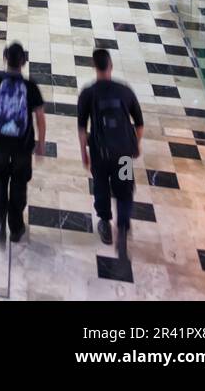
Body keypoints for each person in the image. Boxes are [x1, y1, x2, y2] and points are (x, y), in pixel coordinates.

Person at [77, 48, 144, 262]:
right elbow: (140, 124)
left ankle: (105, 223)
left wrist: (84, 153)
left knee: (101, 186)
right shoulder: (125, 91)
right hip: (124, 153)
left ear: (95, 67)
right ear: (111, 66)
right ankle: (122, 227)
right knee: (124, 191)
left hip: (100, 152)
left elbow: (81, 128)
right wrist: (135, 145)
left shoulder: (88, 93)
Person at [0, 41, 46, 244]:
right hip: (22, 147)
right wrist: (40, 143)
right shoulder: (30, 86)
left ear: (5, 59)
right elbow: (40, 119)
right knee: (18, 187)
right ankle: (15, 228)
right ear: (23, 62)